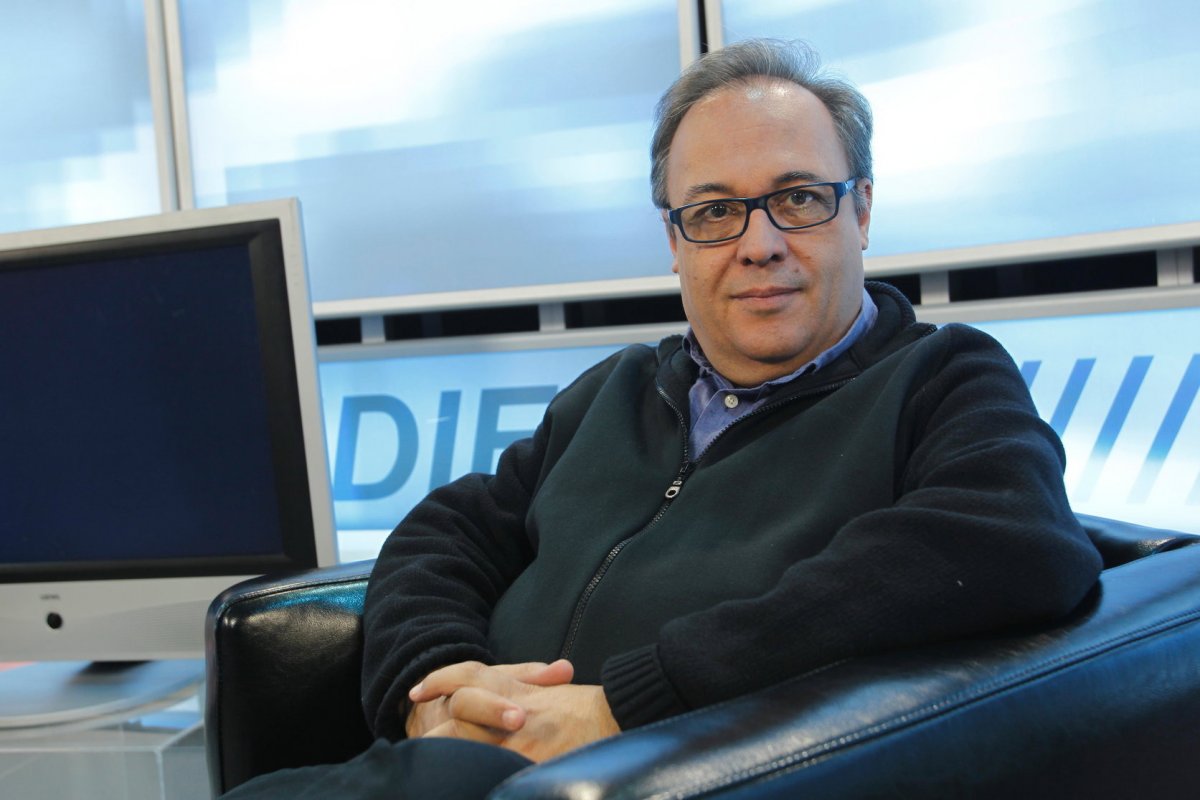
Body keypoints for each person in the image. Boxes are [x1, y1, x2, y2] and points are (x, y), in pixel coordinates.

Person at [223, 38, 1102, 799]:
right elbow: (448, 531)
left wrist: (630, 704)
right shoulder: (622, 389)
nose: (760, 244)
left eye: (799, 198)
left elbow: (1008, 541)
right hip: (456, 767)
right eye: (715, 212)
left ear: (861, 210)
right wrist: (439, 689)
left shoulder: (940, 377)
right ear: (676, 242)